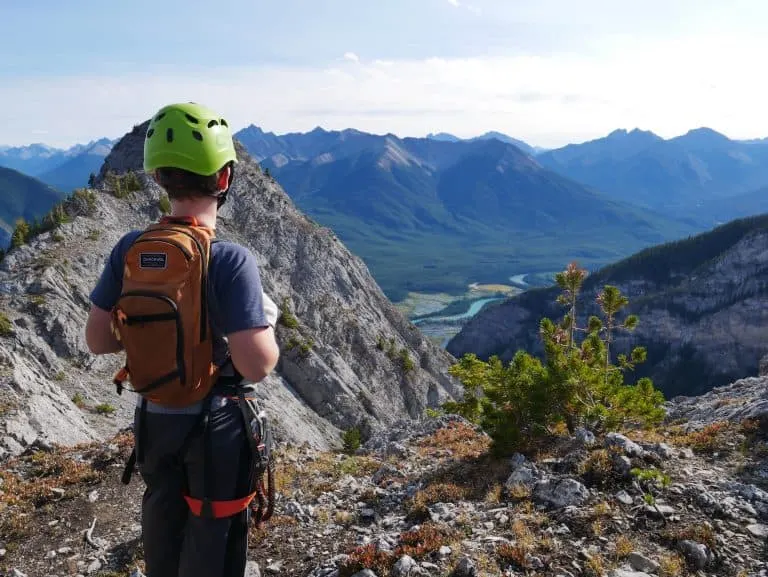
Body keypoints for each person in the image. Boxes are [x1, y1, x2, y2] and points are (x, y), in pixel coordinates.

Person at [84, 102, 280, 577]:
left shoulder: (129, 249)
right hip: (218, 426)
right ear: (225, 178)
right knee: (215, 538)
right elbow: (256, 366)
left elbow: (97, 341)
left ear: (158, 178)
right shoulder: (229, 260)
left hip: (154, 418)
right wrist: (266, 325)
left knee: (162, 522)